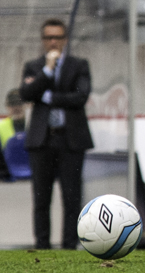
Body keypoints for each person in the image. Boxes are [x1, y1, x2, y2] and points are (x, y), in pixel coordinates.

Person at [19, 18, 94, 250]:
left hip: (70, 139)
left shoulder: (79, 65)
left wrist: (50, 97)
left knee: (71, 198)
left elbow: (80, 96)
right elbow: (27, 93)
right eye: (49, 37)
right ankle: (42, 246)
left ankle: (69, 246)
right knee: (41, 199)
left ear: (65, 40)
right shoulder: (33, 67)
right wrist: (47, 71)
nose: (53, 42)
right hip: (42, 140)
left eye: (57, 37)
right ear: (43, 41)